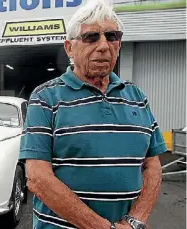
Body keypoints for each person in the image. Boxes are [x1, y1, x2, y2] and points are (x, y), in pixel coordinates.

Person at [19, 0, 167, 229]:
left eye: (112, 36)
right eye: (91, 37)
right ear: (69, 48)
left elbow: (153, 165)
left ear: (119, 44)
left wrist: (135, 221)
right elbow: (37, 177)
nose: (103, 46)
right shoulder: (45, 97)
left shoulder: (137, 96)